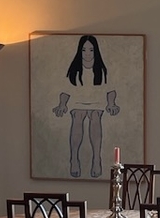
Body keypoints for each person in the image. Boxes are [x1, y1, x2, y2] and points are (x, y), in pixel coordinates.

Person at [51, 35, 119, 178]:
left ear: (96, 51)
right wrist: (62, 104)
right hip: (78, 103)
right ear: (79, 51)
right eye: (84, 50)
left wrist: (111, 104)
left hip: (96, 104)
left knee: (95, 118)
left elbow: (110, 90)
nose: (87, 53)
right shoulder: (74, 69)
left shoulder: (102, 69)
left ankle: (96, 159)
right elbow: (66, 90)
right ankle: (74, 158)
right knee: (78, 117)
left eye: (91, 50)